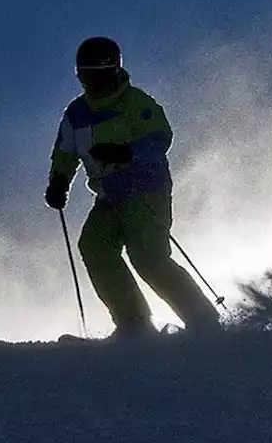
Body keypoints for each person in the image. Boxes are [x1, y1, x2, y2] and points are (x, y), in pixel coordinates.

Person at [44, 36, 221, 339]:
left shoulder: (136, 103)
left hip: (145, 190)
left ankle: (201, 318)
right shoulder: (76, 114)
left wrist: (126, 152)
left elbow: (159, 138)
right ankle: (133, 322)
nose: (91, 84)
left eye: (97, 76)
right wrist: (59, 182)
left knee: (147, 256)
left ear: (113, 71)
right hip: (109, 196)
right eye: (84, 76)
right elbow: (65, 151)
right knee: (95, 248)